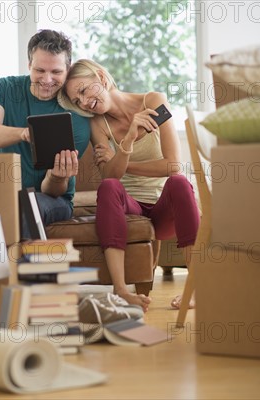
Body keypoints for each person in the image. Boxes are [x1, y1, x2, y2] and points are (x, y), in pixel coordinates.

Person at [58, 59, 200, 311]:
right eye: (78, 102)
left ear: (101, 76)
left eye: (83, 91)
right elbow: (111, 177)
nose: (85, 102)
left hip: (163, 211)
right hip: (129, 207)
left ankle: (195, 288)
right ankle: (121, 290)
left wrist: (123, 161)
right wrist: (129, 140)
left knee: (180, 182)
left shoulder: (153, 102)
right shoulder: (97, 124)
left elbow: (172, 165)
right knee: (109, 188)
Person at [0, 30, 90, 233]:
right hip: (5, 193)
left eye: (56, 72)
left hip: (52, 200)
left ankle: (23, 264)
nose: (46, 79)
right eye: (39, 70)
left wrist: (57, 176)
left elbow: (51, 190)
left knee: (28, 204)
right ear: (29, 65)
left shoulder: (76, 115)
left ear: (68, 69)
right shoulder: (1, 89)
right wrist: (27, 133)